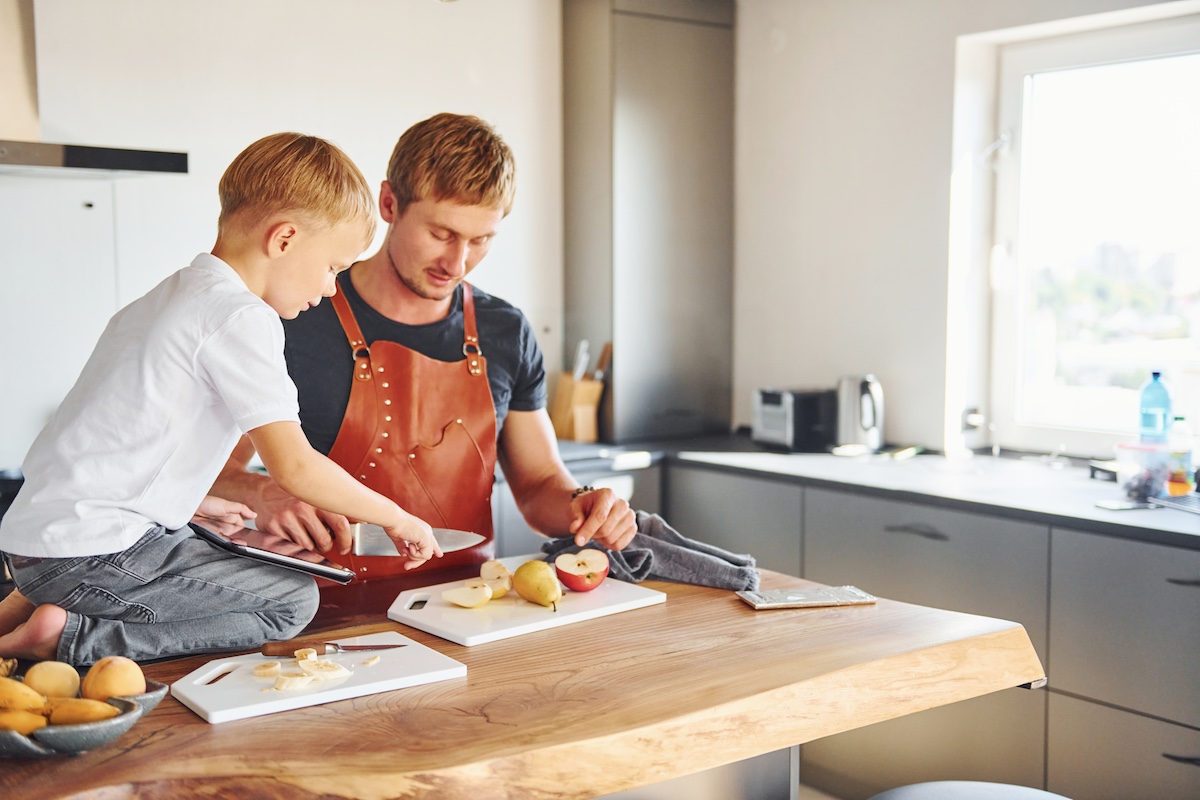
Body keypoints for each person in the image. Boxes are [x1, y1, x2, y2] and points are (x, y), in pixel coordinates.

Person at [0, 133, 441, 665]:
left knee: (210, 538)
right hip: (89, 555)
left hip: (39, 547)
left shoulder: (166, 297)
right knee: (291, 601)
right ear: (283, 240)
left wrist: (182, 502)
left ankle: (31, 608)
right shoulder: (241, 317)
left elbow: (113, 439)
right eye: (332, 267)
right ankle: (72, 639)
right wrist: (396, 516)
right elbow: (295, 468)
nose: (330, 289)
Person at [210, 113, 636, 580]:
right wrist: (261, 491)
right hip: (320, 623)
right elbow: (208, 474)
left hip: (466, 610)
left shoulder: (506, 330)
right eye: (441, 234)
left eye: (481, 240)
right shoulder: (293, 315)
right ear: (389, 203)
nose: (457, 263)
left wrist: (584, 505)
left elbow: (537, 486)